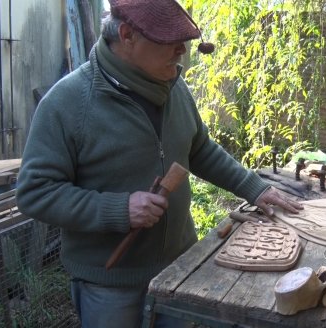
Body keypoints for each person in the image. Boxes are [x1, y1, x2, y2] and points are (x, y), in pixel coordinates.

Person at [16, 0, 303, 327]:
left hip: (178, 269)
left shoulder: (172, 86)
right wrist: (119, 209)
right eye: (169, 40)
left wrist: (254, 188)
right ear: (127, 36)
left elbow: (200, 149)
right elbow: (35, 193)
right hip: (110, 285)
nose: (182, 50)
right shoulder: (68, 103)